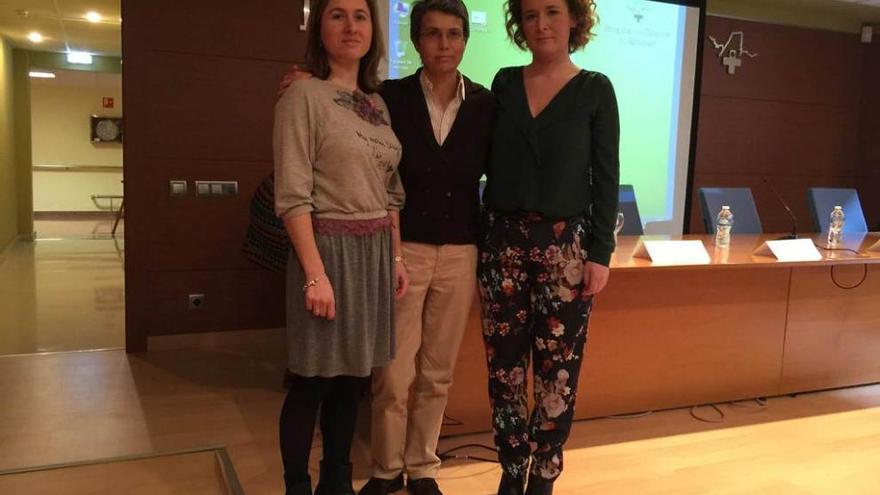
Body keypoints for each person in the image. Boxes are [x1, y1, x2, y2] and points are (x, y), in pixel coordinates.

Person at [278, 2, 494, 494]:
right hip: (398, 248)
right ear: (415, 40)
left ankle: (421, 467)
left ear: (465, 41)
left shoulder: (484, 103)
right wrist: (300, 78)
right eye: (433, 34)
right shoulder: (388, 97)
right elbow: (328, 117)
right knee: (388, 374)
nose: (444, 44)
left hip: (455, 249)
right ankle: (384, 469)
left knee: (435, 372)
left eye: (454, 34)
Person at [478, 1, 620, 494]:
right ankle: (512, 468)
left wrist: (601, 252)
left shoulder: (595, 90)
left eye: (553, 12)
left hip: (566, 251)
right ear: (520, 23)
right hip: (500, 248)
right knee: (505, 369)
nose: (541, 24)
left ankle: (544, 473)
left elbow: (606, 177)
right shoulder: (502, 84)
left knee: (558, 369)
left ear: (575, 19)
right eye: (531, 13)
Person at [273, 1, 407, 494]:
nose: (351, 26)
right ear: (319, 27)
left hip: (373, 253)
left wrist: (393, 256)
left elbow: (390, 191)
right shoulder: (301, 95)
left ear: (373, 29)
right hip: (326, 250)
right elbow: (292, 195)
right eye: (337, 14)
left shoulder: (377, 104)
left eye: (361, 15)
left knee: (353, 379)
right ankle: (296, 487)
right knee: (312, 380)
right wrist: (315, 274)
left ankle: (337, 483)